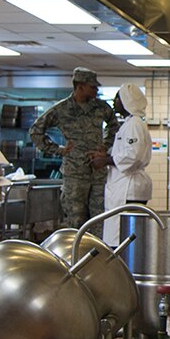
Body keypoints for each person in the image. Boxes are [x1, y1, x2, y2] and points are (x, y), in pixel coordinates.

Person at [29, 66, 119, 229]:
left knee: (100, 220)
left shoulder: (101, 107)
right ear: (80, 86)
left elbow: (114, 126)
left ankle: (99, 254)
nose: (96, 90)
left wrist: (105, 147)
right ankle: (77, 253)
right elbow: (35, 131)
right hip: (75, 174)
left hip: (98, 174)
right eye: (92, 86)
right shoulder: (62, 109)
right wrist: (58, 150)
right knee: (76, 220)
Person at [102, 82, 154, 242]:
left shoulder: (134, 124)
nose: (113, 101)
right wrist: (106, 154)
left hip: (128, 188)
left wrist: (106, 160)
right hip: (124, 185)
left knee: (124, 237)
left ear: (126, 100)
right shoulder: (130, 124)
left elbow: (133, 155)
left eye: (117, 97)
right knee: (120, 235)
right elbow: (126, 151)